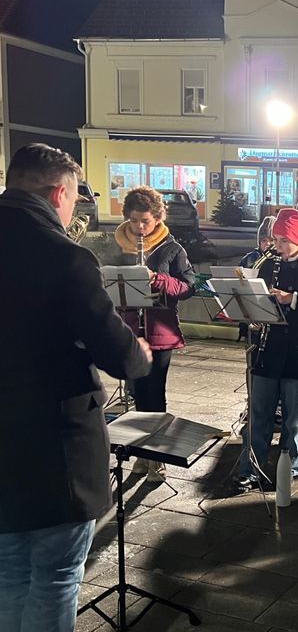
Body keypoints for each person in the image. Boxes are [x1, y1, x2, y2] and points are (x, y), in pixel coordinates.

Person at [0, 143, 152, 632]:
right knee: (55, 574)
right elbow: (118, 351)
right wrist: (137, 356)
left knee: (9, 571)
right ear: (60, 192)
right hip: (53, 441)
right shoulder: (62, 255)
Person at [236, 208, 298, 493]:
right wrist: (253, 312)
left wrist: (292, 299)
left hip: (297, 349)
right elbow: (254, 297)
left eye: (283, 241)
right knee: (259, 413)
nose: (277, 246)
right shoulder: (268, 265)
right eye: (276, 240)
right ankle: (250, 468)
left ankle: (289, 467)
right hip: (267, 348)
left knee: (292, 417)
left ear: (297, 240)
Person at [112, 186, 196, 483]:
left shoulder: (172, 248)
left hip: (159, 331)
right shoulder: (119, 245)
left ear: (158, 218)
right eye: (134, 221)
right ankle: (140, 452)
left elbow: (188, 287)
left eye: (145, 221)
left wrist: (159, 280)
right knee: (135, 394)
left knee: (154, 394)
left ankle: (156, 458)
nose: (139, 227)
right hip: (129, 330)